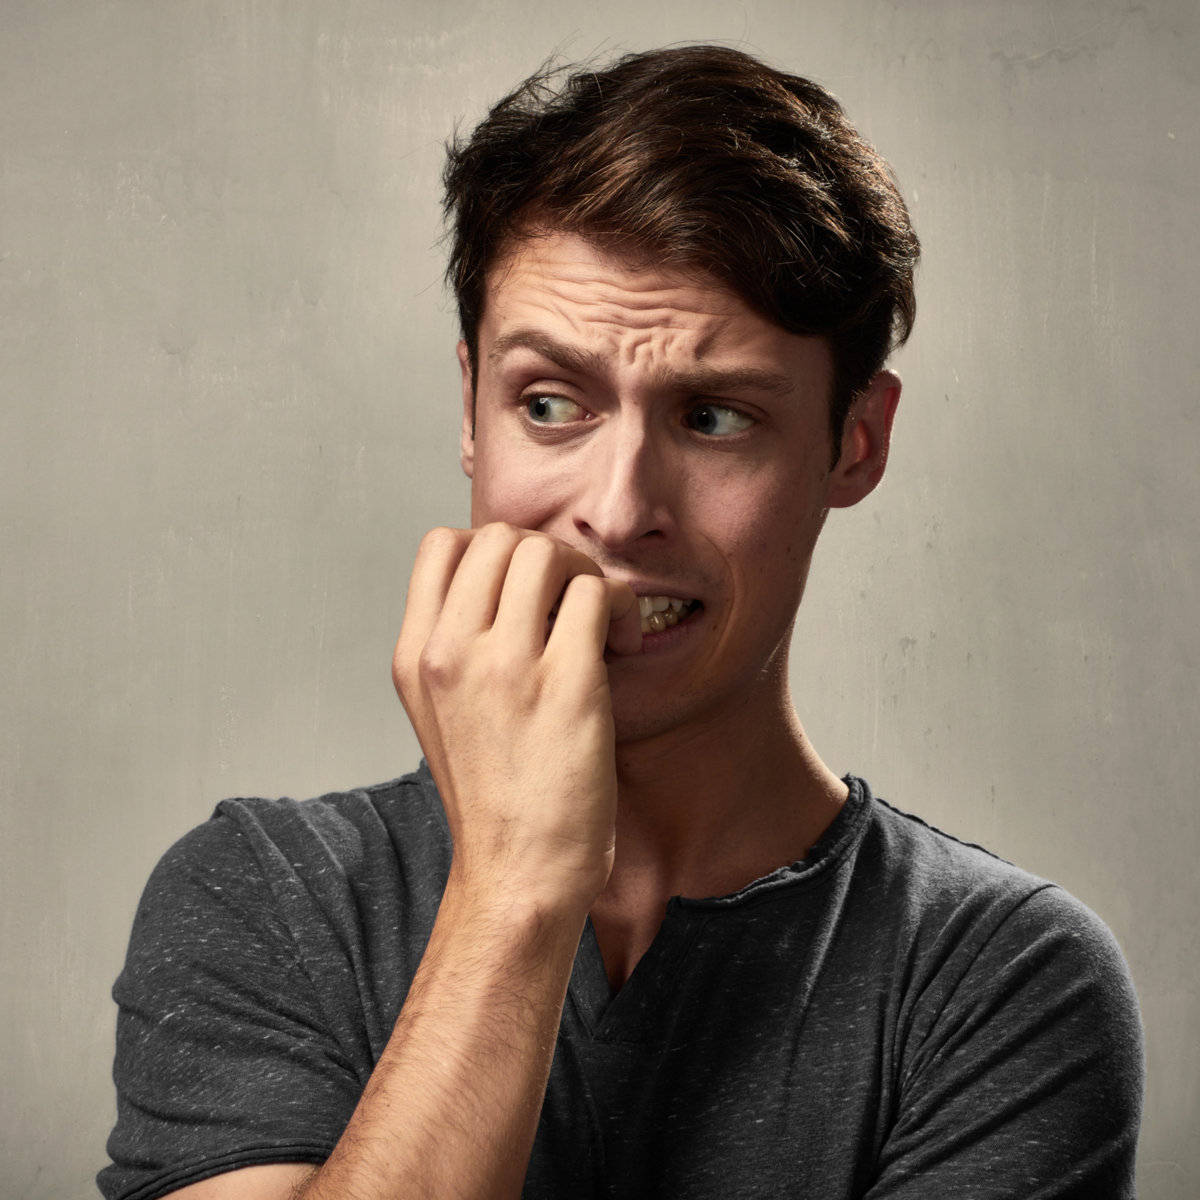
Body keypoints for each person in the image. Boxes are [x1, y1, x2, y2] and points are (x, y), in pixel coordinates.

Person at [99, 45, 1143, 1200]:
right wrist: (515, 892)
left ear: (857, 442)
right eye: (549, 403)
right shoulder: (264, 898)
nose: (616, 509)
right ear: (471, 411)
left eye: (714, 416)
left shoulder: (1004, 980)